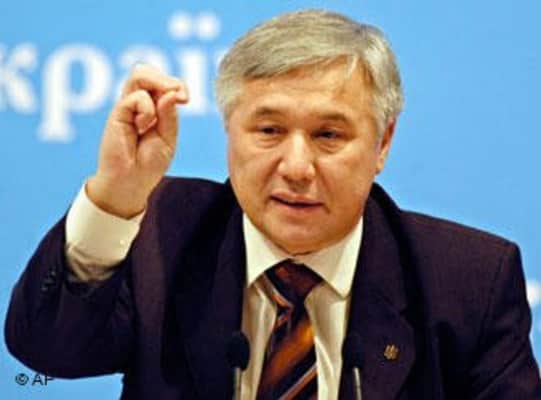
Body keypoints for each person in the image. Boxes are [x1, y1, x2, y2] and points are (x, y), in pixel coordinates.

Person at [5, 9, 541, 400]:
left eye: (329, 135)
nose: (297, 167)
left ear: (383, 143)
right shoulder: (162, 233)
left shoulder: (468, 282)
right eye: (269, 130)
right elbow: (47, 349)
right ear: (228, 131)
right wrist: (115, 197)